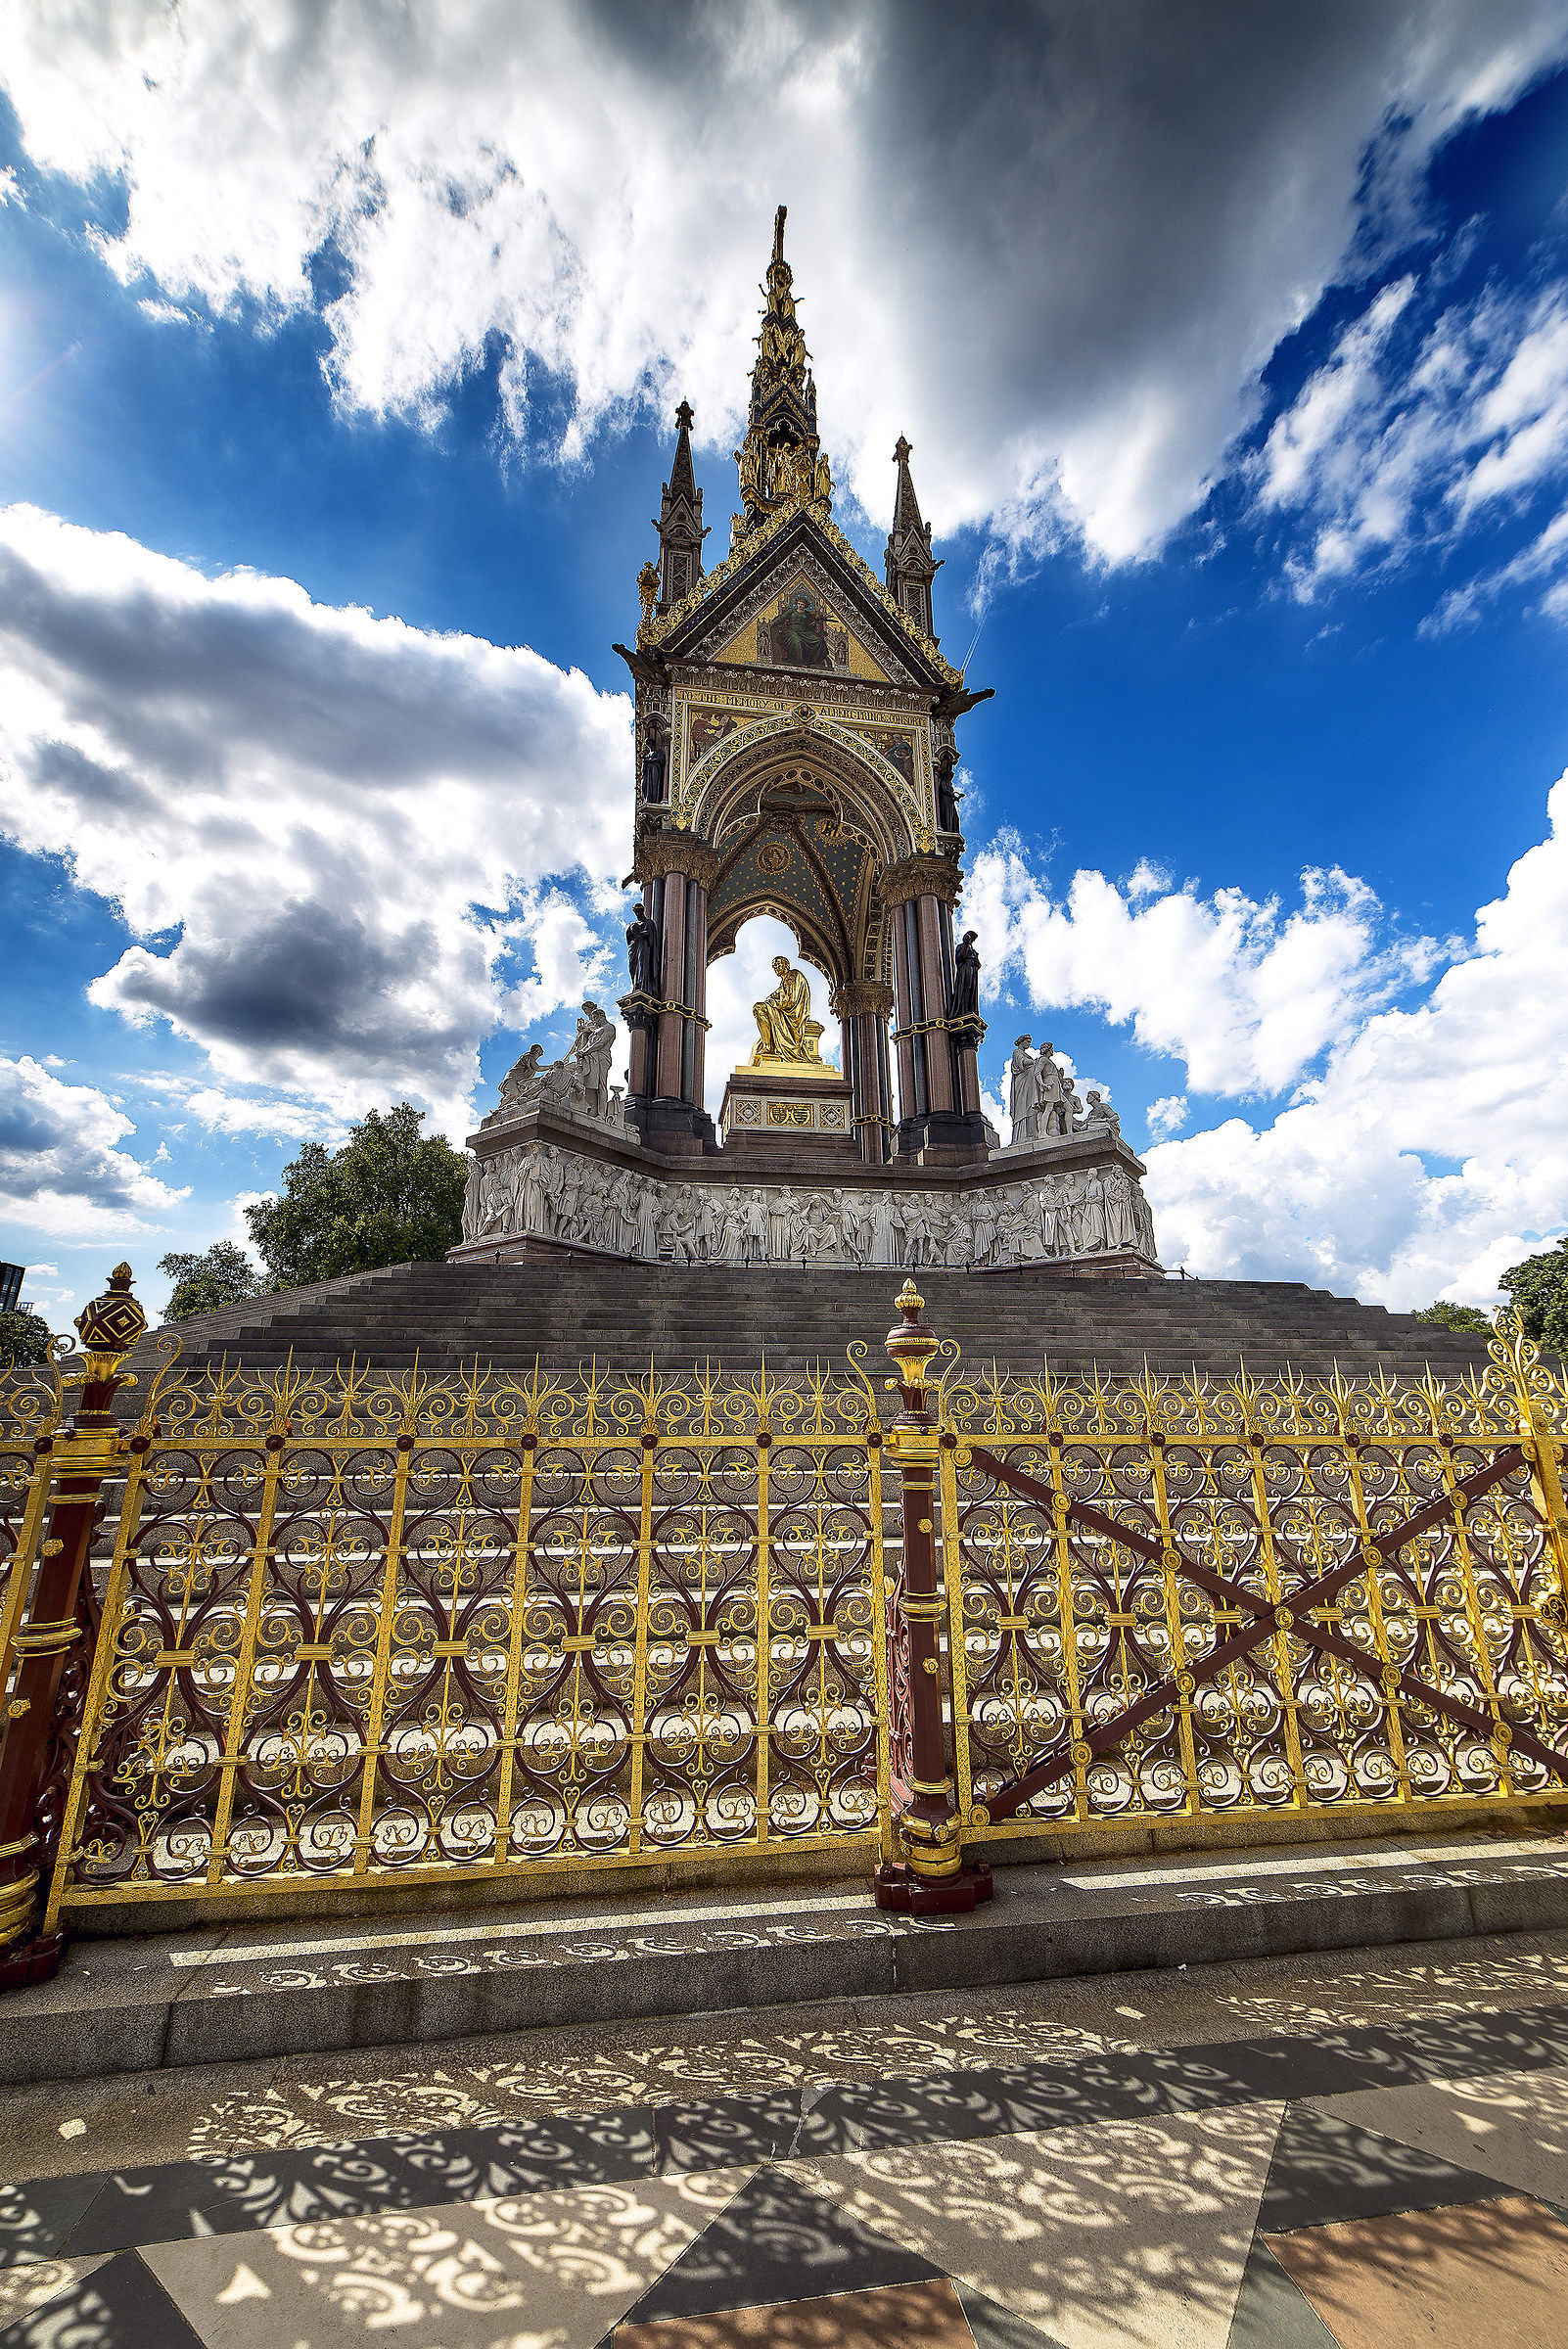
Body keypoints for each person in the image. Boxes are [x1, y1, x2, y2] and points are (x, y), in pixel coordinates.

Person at [751, 957, 824, 1065]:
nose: (775, 967)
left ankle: (768, 1047)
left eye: (778, 964)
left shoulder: (794, 975)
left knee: (759, 1008)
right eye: (774, 966)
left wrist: (775, 1003)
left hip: (793, 1015)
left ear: (786, 965)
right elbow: (775, 995)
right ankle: (768, 1045)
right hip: (784, 1013)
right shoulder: (784, 981)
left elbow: (792, 1000)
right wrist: (771, 999)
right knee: (759, 1010)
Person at [626, 901, 661, 996]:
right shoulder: (633, 924)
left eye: (639, 911)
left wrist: (639, 933)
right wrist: (632, 931)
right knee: (633, 967)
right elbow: (628, 938)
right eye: (635, 912)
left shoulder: (649, 922)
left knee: (643, 965)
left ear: (643, 911)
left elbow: (650, 935)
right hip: (634, 946)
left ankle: (645, 987)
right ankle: (636, 986)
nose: (637, 913)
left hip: (644, 945)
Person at [949, 931, 981, 1022]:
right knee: (966, 987)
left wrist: (975, 960)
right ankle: (963, 1010)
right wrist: (966, 946)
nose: (973, 941)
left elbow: (978, 965)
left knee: (971, 989)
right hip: (965, 968)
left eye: (974, 940)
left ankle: (969, 1009)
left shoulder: (974, 951)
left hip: (972, 969)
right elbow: (959, 958)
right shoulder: (962, 946)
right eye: (972, 939)